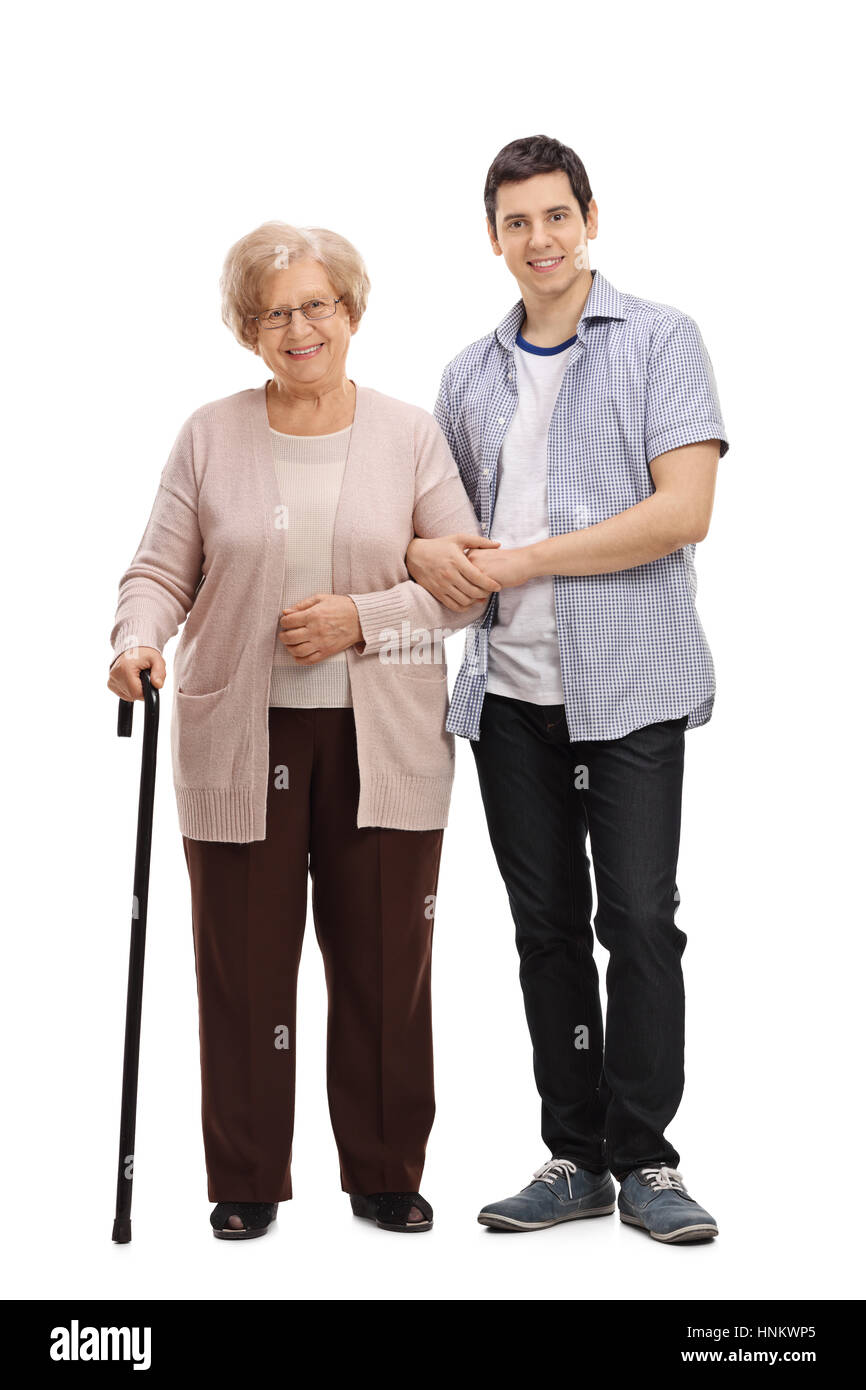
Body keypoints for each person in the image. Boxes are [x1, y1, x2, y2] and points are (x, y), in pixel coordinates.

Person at [107, 222, 499, 1239]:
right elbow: (160, 569)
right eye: (274, 310)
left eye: (317, 304)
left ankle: (384, 1170)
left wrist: (358, 618)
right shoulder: (210, 434)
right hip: (241, 742)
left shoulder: (409, 435)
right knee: (243, 968)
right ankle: (244, 1177)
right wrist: (137, 639)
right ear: (247, 329)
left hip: (387, 745)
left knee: (382, 969)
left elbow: (462, 583)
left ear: (352, 313)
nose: (298, 326)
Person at [407, 135, 729, 1244]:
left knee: (637, 919)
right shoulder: (466, 375)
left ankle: (646, 1158)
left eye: (554, 216)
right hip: (508, 696)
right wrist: (427, 562)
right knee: (544, 929)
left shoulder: (658, 340)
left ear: (589, 215)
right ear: (490, 237)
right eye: (514, 223)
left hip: (630, 684)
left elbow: (680, 511)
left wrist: (528, 555)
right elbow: (439, 539)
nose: (537, 240)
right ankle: (574, 1154)